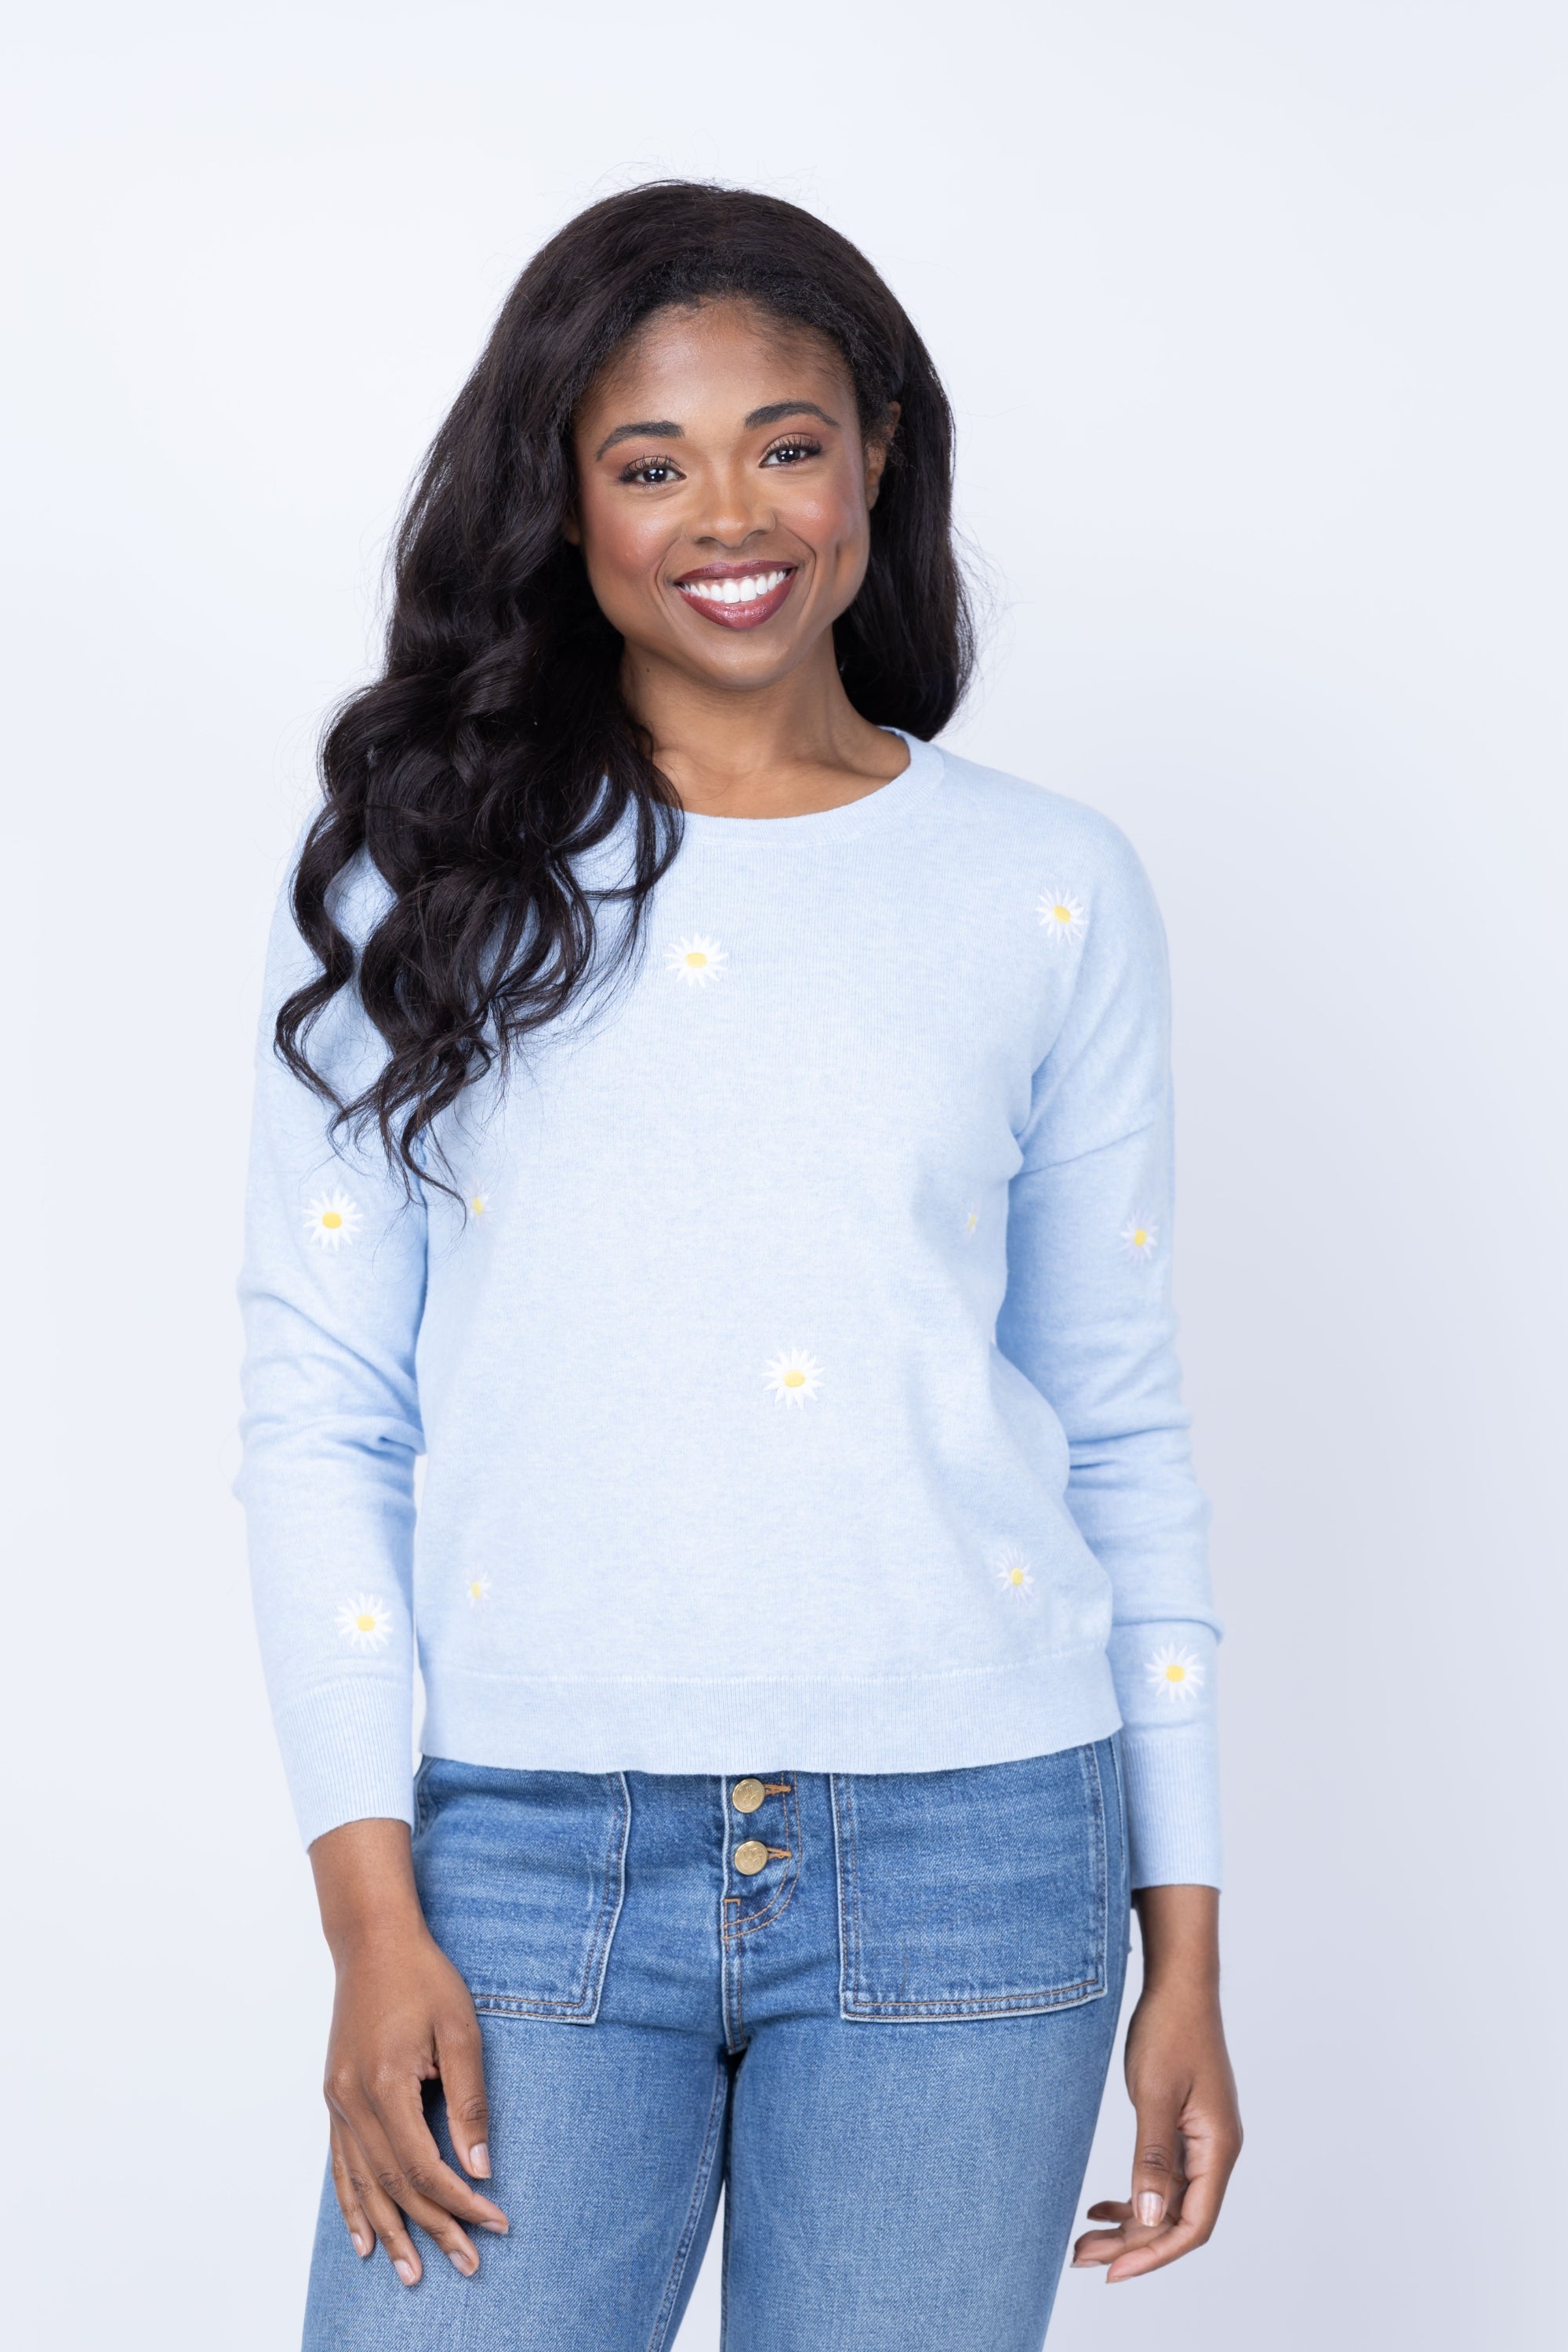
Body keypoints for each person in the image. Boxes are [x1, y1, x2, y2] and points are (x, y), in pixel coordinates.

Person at [238, 180, 1242, 2352]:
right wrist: (369, 1917)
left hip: (980, 1852)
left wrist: (1188, 1946)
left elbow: (1116, 1420)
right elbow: (325, 1416)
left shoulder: (1047, 886)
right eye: (650, 461)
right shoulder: (426, 878)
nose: (731, 516)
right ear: (561, 498)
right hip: (522, 1861)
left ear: (878, 457)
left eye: (787, 445)